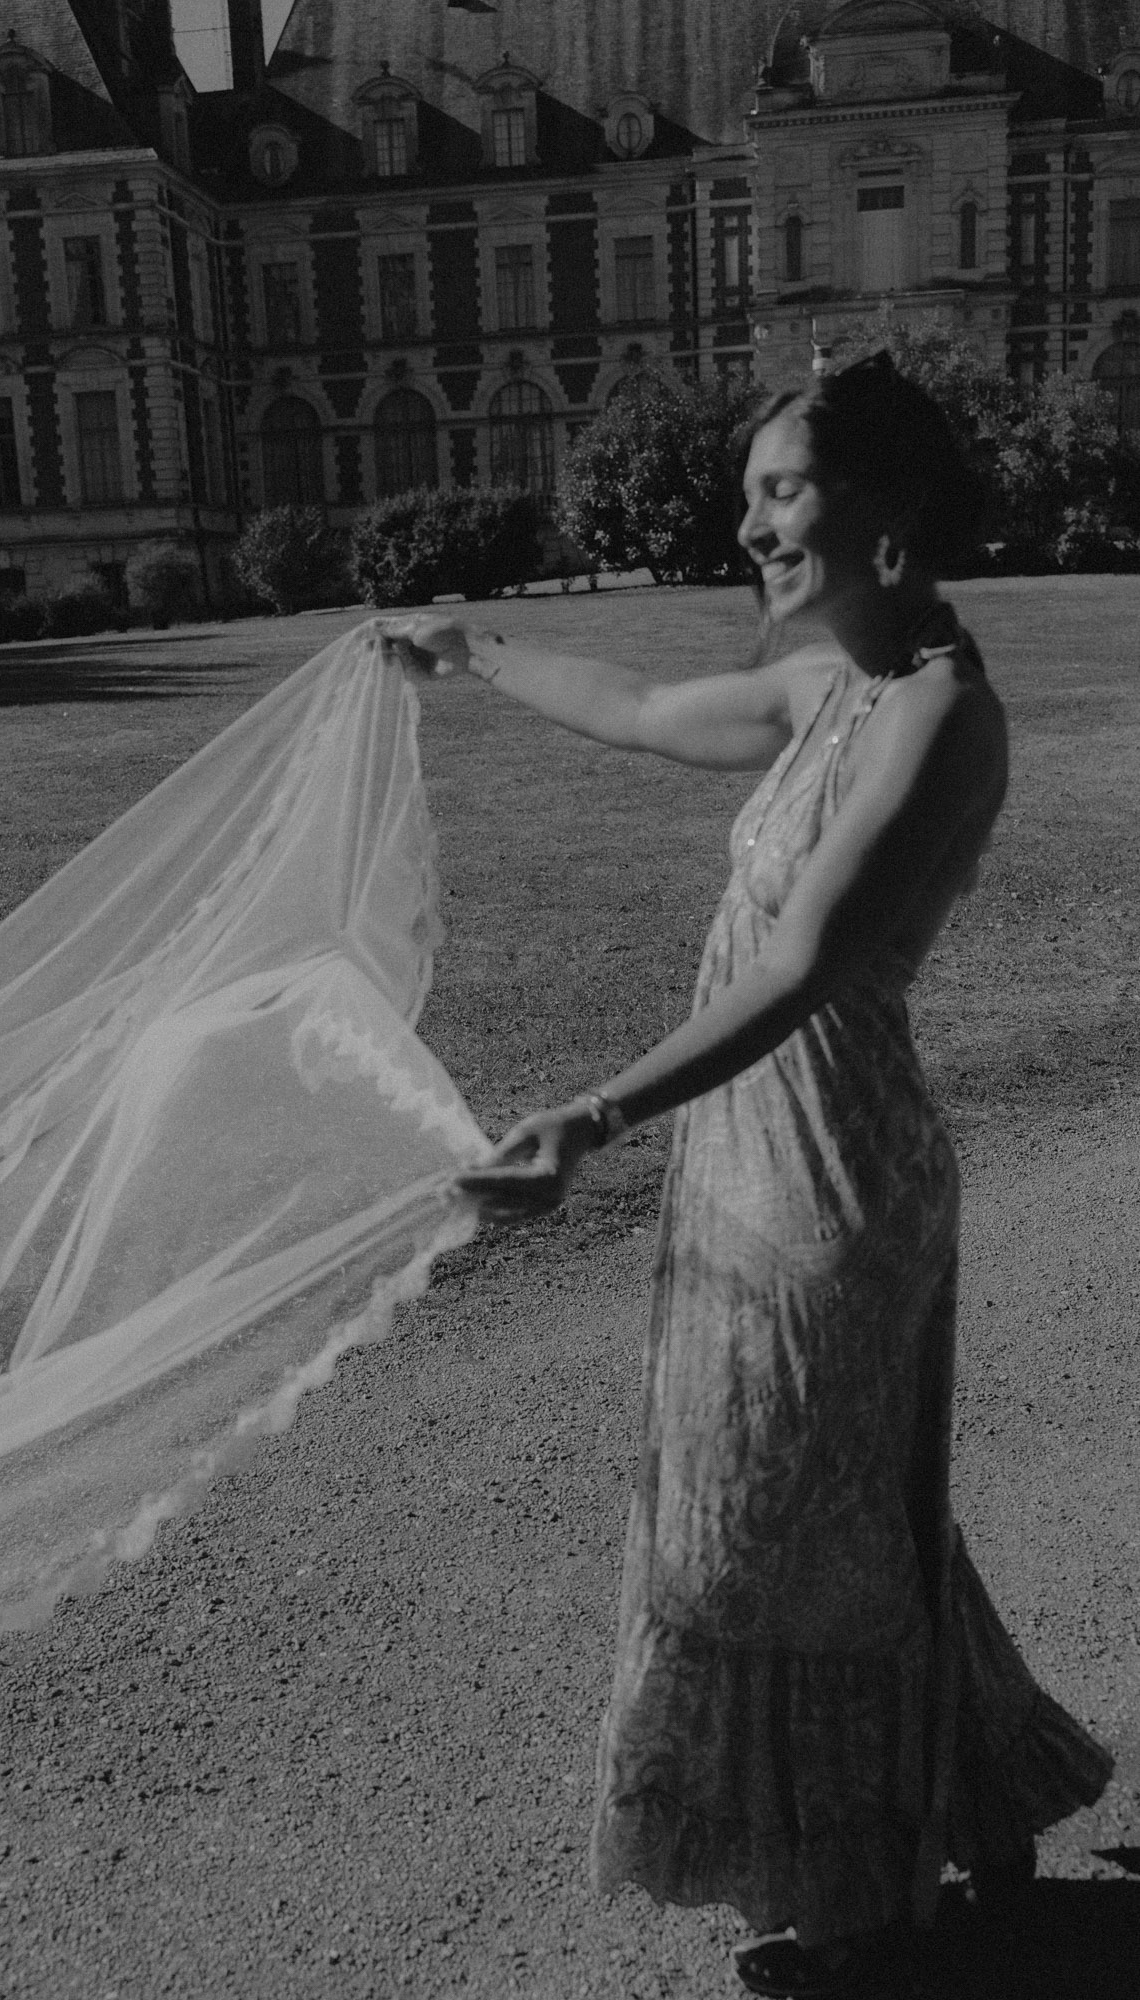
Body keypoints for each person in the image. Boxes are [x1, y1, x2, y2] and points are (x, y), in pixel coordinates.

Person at [378, 354, 1113, 1999]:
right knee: (836, 1520)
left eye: (782, 490)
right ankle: (974, 1802)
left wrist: (588, 1116)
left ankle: (854, 1898)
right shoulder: (827, 688)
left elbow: (804, 967)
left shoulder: (938, 714)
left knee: (779, 1535)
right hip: (745, 1159)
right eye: (750, 495)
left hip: (830, 1179)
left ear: (886, 512)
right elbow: (643, 713)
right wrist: (475, 649)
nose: (750, 525)